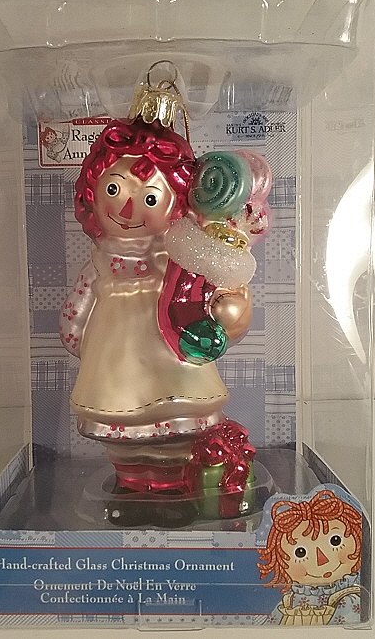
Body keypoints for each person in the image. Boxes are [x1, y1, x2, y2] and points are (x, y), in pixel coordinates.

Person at [60, 117, 255, 526]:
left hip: (170, 360)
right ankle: (130, 484)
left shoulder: (181, 260)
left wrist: (228, 308)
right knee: (122, 433)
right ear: (91, 193)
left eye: (149, 198)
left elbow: (208, 301)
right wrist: (75, 333)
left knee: (174, 432)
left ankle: (169, 487)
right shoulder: (100, 261)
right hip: (114, 362)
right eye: (113, 190)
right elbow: (80, 303)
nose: (126, 209)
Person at [257, 489, 362, 625]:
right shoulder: (288, 602)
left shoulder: (349, 600)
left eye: (335, 540)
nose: (322, 560)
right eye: (300, 552)